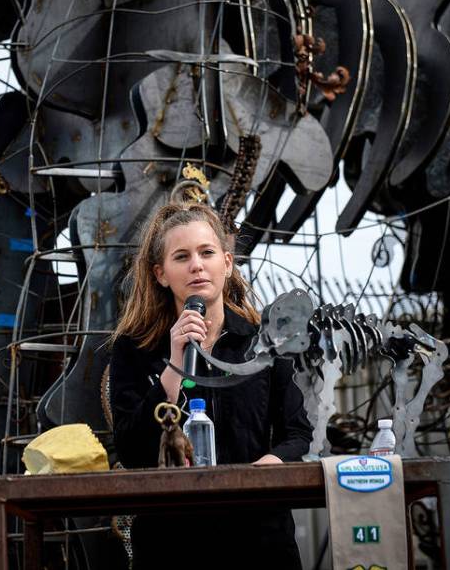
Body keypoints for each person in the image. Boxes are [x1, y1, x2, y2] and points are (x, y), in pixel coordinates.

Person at [108, 201, 312, 570]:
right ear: (161, 274)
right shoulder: (134, 349)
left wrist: (272, 463)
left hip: (259, 538)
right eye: (181, 256)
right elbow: (131, 450)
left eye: (207, 252)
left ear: (228, 264)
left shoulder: (266, 343)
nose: (197, 265)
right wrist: (173, 364)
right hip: (173, 541)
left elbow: (297, 431)